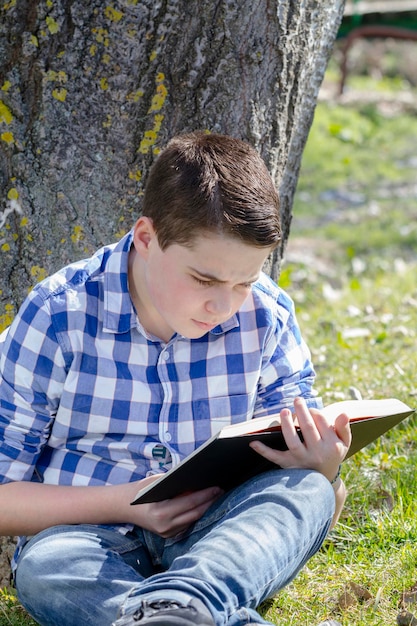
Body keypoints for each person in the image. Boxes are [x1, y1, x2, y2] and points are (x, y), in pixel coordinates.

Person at [0, 131, 351, 626]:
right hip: (88, 537)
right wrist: (130, 502)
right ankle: (197, 611)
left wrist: (323, 468)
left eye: (244, 283)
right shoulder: (60, 316)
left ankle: (187, 602)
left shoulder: (266, 315)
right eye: (205, 280)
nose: (223, 305)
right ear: (146, 238)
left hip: (219, 536)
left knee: (308, 492)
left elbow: (308, 495)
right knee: (46, 569)